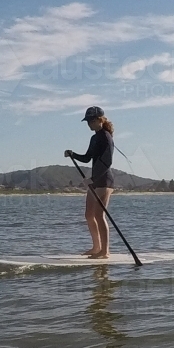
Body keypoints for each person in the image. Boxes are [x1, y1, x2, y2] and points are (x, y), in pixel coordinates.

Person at [65, 106, 115, 258]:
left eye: (91, 121)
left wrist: (93, 179)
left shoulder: (106, 137)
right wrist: (72, 154)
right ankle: (96, 247)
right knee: (89, 215)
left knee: (99, 215)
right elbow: (87, 158)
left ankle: (105, 252)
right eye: (87, 121)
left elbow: (107, 162)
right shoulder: (94, 138)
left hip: (104, 180)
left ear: (100, 120)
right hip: (94, 180)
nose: (89, 124)